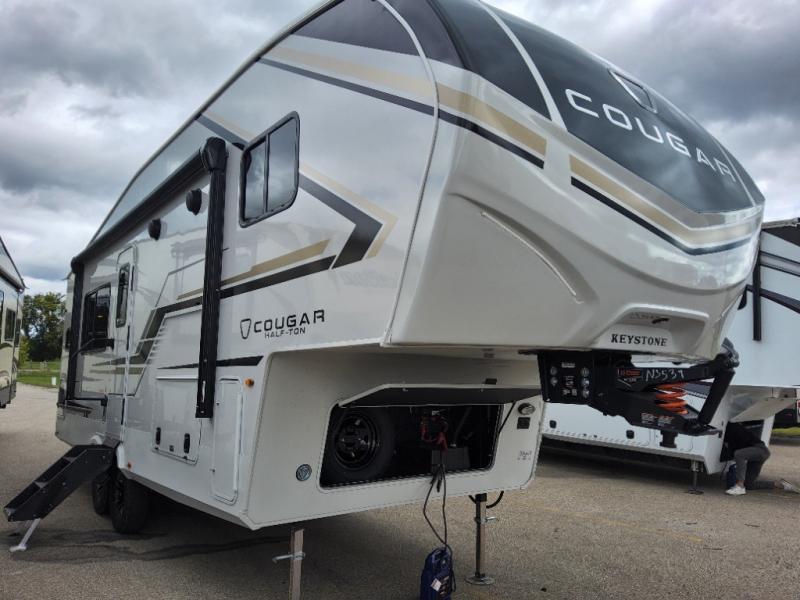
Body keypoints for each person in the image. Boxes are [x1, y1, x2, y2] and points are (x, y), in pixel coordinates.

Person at [724, 422, 798, 496]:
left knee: (739, 454)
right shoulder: (732, 426)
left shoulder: (731, 428)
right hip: (760, 452)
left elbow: (736, 452)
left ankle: (740, 486)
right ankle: (781, 485)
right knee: (749, 484)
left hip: (760, 450)